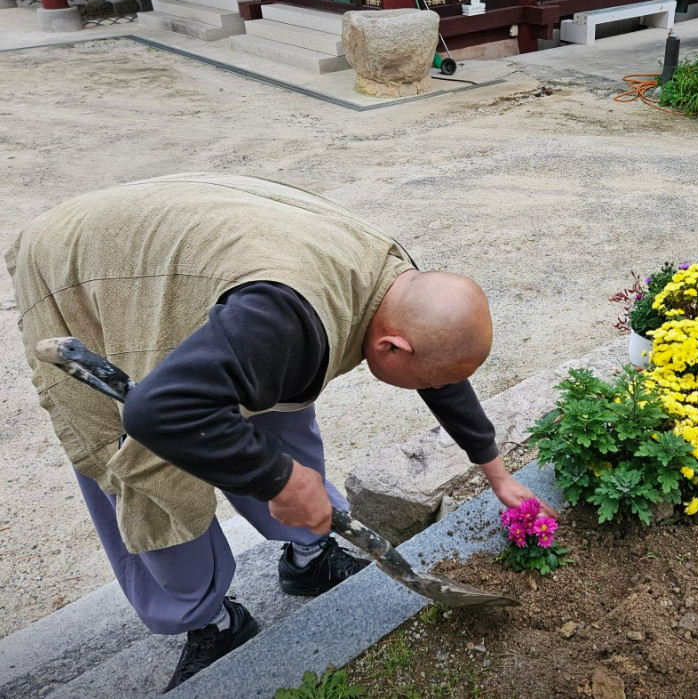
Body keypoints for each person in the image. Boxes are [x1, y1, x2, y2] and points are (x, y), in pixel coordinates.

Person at [6, 173, 558, 692]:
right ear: (393, 345)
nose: (435, 387)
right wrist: (278, 481)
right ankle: (213, 621)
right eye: (429, 378)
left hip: (224, 275)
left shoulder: (397, 285)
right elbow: (154, 412)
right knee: (143, 469)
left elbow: (442, 368)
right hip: (85, 267)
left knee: (277, 396)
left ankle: (307, 558)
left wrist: (496, 472)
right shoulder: (284, 317)